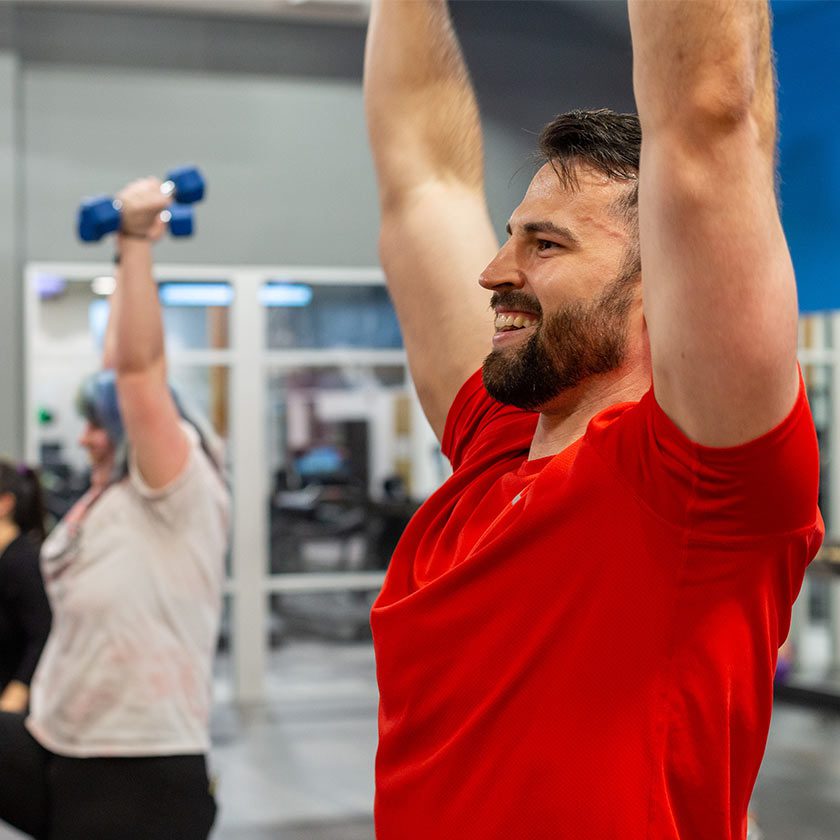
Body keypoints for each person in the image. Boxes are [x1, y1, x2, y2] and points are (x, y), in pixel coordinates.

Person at [363, 1, 823, 838]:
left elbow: (712, 120)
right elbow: (420, 177)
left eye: (546, 245)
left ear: (663, 283)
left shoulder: (699, 483)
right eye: (512, 237)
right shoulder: (491, 455)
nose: (494, 271)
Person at [0, 177, 229, 840]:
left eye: (96, 426)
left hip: (138, 766)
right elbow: (114, 378)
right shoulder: (105, 499)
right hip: (57, 739)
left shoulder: (175, 488)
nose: (83, 437)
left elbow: (134, 374)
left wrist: (134, 243)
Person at [0, 462, 51, 714]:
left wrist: (19, 689)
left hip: (13, 708)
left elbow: (42, 634)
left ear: (4, 504)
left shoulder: (22, 562)